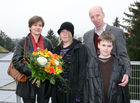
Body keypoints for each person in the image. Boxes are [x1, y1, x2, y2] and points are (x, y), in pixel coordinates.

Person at [83, 5, 131, 87]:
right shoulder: (87, 36)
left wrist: (127, 73)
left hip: (113, 80)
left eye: (97, 15)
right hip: (93, 82)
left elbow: (123, 55)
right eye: (92, 17)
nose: (95, 19)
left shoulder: (117, 32)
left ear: (103, 15)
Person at [12, 16, 53, 103]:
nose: (38, 27)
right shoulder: (23, 42)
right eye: (35, 25)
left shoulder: (47, 42)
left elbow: (52, 59)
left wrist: (47, 70)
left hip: (44, 82)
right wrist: (33, 71)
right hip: (28, 82)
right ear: (30, 27)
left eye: (40, 25)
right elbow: (16, 61)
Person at [85, 32, 130, 103]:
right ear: (98, 45)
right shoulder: (90, 64)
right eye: (103, 45)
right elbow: (86, 87)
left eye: (109, 46)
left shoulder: (119, 64)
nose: (106, 48)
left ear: (112, 47)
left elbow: (124, 90)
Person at [51, 22, 88, 103]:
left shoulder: (80, 48)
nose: (65, 34)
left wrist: (79, 95)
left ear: (72, 34)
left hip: (72, 94)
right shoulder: (56, 50)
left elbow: (83, 73)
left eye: (67, 32)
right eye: (62, 32)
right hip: (58, 93)